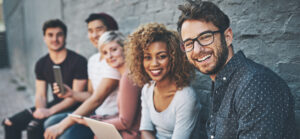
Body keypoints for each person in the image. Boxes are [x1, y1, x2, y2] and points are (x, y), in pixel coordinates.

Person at [177, 0, 296, 138]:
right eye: (189, 43)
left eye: (205, 37)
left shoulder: (255, 84)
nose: (197, 50)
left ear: (227, 37)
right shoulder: (222, 81)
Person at [1, 19, 88, 139]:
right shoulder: (41, 64)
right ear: (44, 38)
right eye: (50, 35)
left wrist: (49, 111)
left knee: (33, 127)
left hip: (74, 108)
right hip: (54, 104)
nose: (55, 39)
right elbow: (41, 95)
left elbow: (74, 99)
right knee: (9, 123)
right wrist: (41, 109)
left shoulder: (78, 61)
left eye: (59, 35)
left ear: (65, 37)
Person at [43, 13, 121, 139]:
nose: (94, 35)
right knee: (50, 122)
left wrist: (63, 125)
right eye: (90, 31)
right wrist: (72, 93)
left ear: (111, 31)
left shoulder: (114, 60)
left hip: (109, 119)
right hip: (95, 114)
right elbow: (90, 94)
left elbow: (97, 99)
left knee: (63, 134)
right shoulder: (93, 60)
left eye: (99, 29)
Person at [125, 23, 201, 139]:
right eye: (148, 57)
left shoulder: (185, 97)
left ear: (174, 59)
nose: (154, 64)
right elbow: (145, 130)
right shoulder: (148, 89)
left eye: (162, 56)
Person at [70, 31, 141, 139]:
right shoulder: (125, 75)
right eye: (105, 52)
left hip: (132, 135)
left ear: (125, 48)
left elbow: (125, 122)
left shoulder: (128, 77)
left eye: (114, 49)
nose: (110, 56)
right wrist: (98, 120)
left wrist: (89, 122)